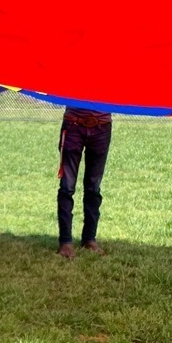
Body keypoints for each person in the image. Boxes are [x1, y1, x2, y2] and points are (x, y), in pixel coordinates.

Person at [56, 106, 112, 258]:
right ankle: (65, 242)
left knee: (93, 188)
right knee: (67, 187)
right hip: (73, 126)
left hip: (102, 127)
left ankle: (89, 239)